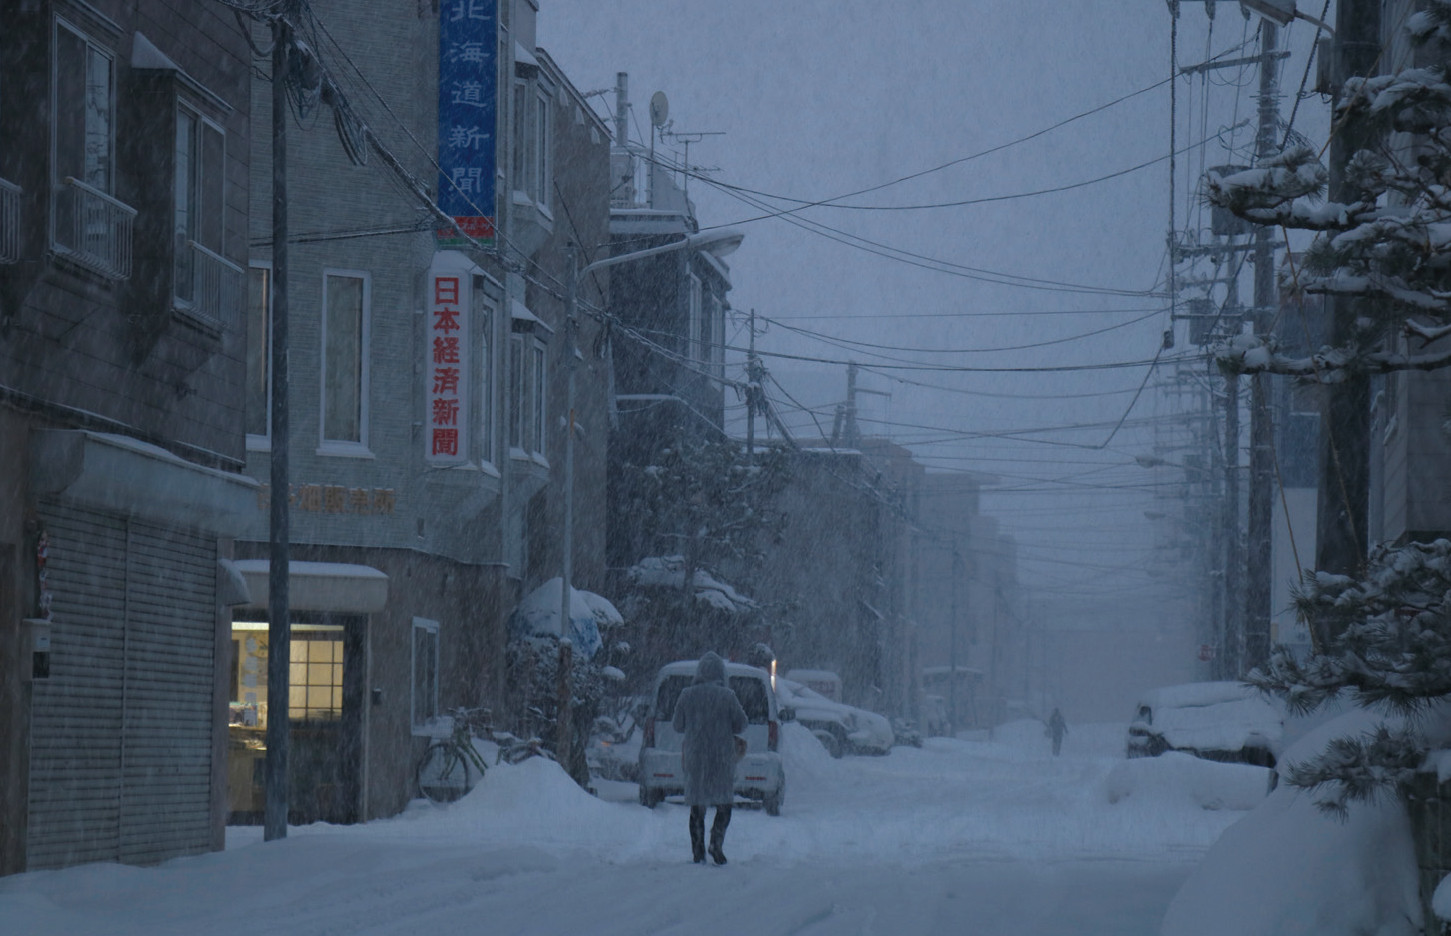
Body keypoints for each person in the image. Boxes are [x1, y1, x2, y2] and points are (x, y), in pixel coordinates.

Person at [671, 651, 747, 864]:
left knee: (697, 805)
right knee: (724, 804)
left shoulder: (687, 695)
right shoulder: (728, 696)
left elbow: (677, 725)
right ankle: (716, 842)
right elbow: (742, 724)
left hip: (696, 757)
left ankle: (698, 850)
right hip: (721, 757)